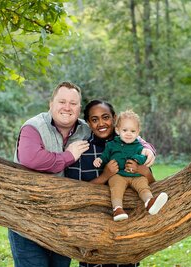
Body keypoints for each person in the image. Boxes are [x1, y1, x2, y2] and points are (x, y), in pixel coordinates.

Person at [8, 81, 91, 267]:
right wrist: (68, 156)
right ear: (51, 104)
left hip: (64, 223)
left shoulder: (86, 130)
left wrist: (147, 148)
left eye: (73, 103)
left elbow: (118, 135)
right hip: (27, 219)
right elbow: (32, 159)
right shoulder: (33, 127)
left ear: (79, 108)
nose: (67, 108)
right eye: (62, 101)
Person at [65, 100, 156, 267]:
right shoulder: (81, 151)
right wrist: (105, 175)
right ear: (88, 123)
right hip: (93, 234)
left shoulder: (133, 144)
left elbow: (152, 184)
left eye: (105, 117)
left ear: (114, 119)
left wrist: (143, 170)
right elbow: (74, 196)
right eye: (94, 119)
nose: (101, 123)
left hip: (127, 231)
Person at [93, 109, 168, 222]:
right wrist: (99, 160)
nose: (129, 133)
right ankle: (118, 209)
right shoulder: (111, 145)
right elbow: (105, 156)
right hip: (118, 175)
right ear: (117, 130)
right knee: (116, 188)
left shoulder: (139, 146)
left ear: (138, 133)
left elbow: (143, 157)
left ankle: (149, 202)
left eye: (133, 131)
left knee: (143, 185)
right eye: (125, 130)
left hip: (135, 174)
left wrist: (137, 159)